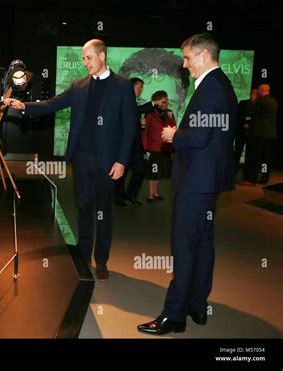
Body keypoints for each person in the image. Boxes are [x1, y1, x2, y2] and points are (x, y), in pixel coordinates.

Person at [4, 39, 137, 281]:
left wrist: (122, 161)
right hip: (82, 159)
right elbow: (52, 104)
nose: (85, 62)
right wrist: (24, 106)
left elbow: (130, 128)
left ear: (102, 56)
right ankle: (85, 257)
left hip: (109, 163)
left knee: (103, 211)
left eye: (88, 58)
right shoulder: (79, 86)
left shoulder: (123, 86)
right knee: (84, 209)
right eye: (83, 58)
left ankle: (103, 260)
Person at [137, 33, 237, 335]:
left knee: (184, 247)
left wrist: (173, 136)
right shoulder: (221, 84)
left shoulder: (212, 88)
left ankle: (174, 315)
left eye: (188, 58)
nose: (185, 64)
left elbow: (200, 137)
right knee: (202, 244)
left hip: (197, 181)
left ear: (204, 55)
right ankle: (197, 305)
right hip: (207, 180)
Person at [114, 77, 158, 207]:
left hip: (135, 144)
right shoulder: (123, 100)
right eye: (139, 87)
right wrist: (152, 104)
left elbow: (133, 117)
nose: (141, 90)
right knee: (122, 171)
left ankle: (131, 195)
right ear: (131, 87)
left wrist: (139, 123)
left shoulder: (133, 102)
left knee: (140, 169)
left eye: (142, 88)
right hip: (123, 144)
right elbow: (133, 113)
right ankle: (118, 197)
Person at [238, 83, 279, 186]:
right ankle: (264, 178)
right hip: (269, 134)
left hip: (258, 133)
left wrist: (253, 100)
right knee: (266, 157)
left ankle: (251, 179)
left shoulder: (261, 102)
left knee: (254, 157)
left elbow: (251, 111)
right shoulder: (274, 101)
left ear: (261, 90)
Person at [142, 90, 176, 202]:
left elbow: (173, 128)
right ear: (157, 102)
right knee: (153, 172)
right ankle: (150, 194)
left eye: (166, 102)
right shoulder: (150, 113)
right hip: (153, 148)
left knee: (160, 172)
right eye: (164, 102)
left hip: (165, 147)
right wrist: (145, 148)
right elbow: (145, 132)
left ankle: (156, 192)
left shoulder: (169, 113)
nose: (166, 104)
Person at [234, 88, 257, 173]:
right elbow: (238, 115)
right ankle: (234, 170)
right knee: (237, 151)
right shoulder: (243, 103)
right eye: (253, 92)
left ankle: (247, 172)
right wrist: (244, 122)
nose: (254, 94)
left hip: (253, 132)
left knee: (250, 153)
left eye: (255, 93)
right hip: (241, 131)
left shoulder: (259, 104)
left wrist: (249, 122)